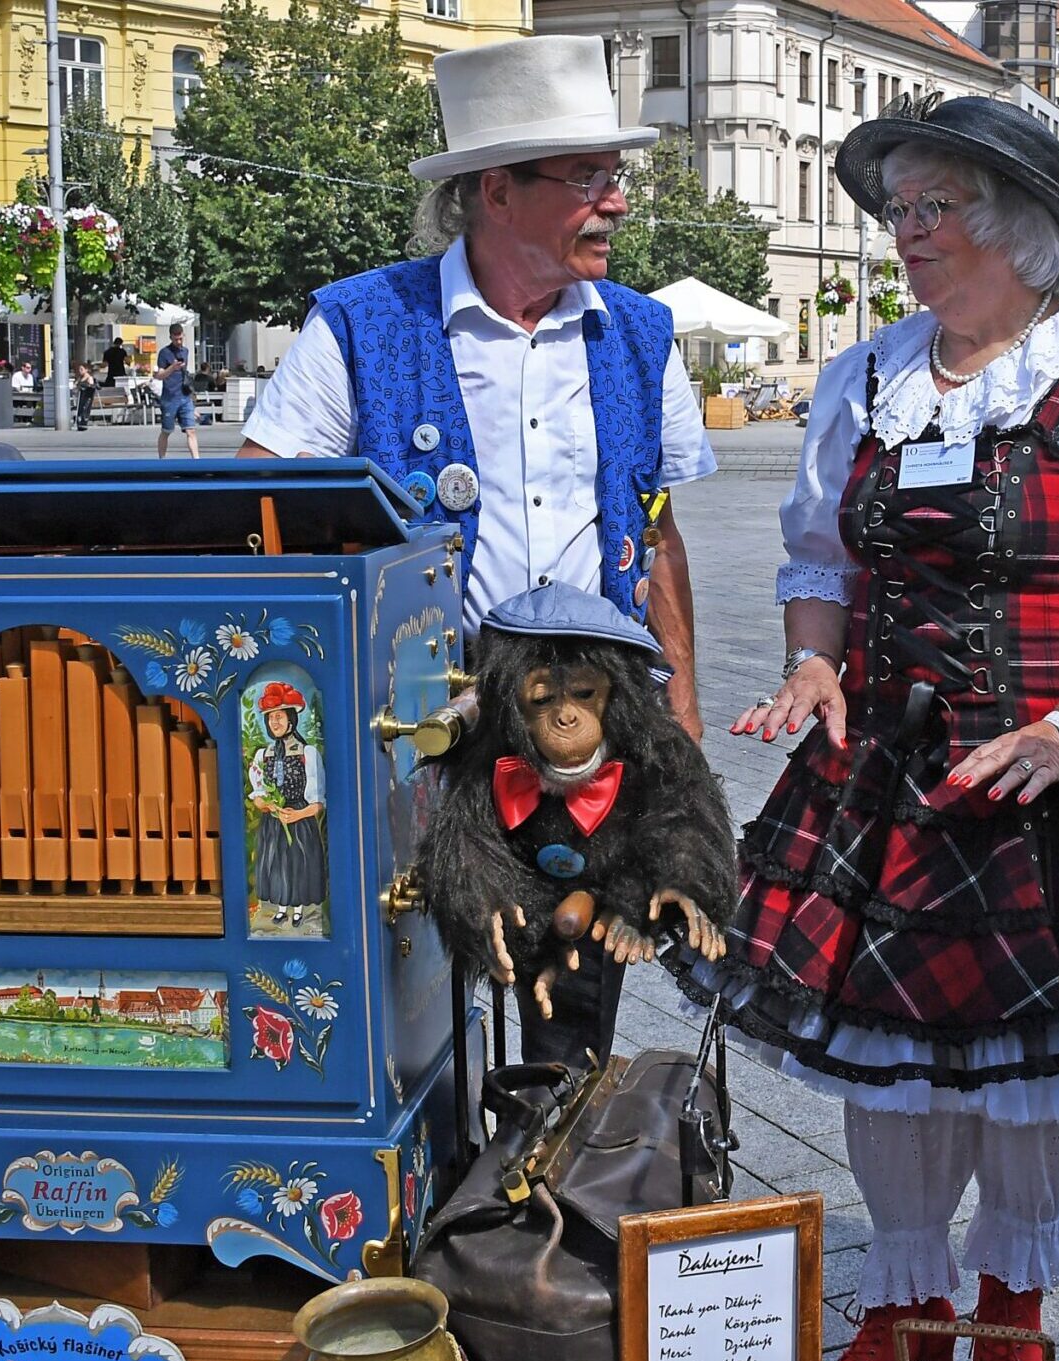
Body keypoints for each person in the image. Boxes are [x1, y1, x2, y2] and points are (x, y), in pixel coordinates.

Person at [708, 93, 1059, 1361]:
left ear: (1019, 228)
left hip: (1048, 772)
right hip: (884, 766)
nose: (907, 232)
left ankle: (1005, 1323)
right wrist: (811, 661)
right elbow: (819, 562)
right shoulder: (866, 377)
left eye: (935, 208)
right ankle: (904, 1310)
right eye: (900, 209)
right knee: (884, 1058)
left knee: (1021, 1074)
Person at [241, 36, 713, 732]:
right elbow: (259, 501)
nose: (616, 204)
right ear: (497, 191)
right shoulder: (361, 322)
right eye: (588, 178)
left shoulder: (640, 332)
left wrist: (684, 711)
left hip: (602, 713)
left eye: (616, 177)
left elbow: (658, 535)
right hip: (423, 718)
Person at [248, 681, 329, 928]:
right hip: (274, 823)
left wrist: (298, 815)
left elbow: (318, 802)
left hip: (299, 821)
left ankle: (298, 910)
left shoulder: (307, 754)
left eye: (279, 716)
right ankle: (282, 908)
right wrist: (271, 807)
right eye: (271, 717)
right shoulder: (264, 755)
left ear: (291, 719)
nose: (274, 722)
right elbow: (258, 795)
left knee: (297, 865)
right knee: (278, 865)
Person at [155, 321, 202, 458]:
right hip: (170, 398)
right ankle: (162, 460)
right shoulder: (164, 353)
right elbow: (159, 376)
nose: (179, 342)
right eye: (176, 339)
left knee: (191, 430)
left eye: (181, 338)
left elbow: (185, 375)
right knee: (166, 431)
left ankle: (197, 461)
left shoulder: (185, 351)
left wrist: (192, 400)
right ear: (170, 337)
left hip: (184, 397)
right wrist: (172, 368)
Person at [70, 361, 97, 431]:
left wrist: (86, 386)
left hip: (87, 397)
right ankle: (79, 422)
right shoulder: (80, 378)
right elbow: (75, 385)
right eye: (79, 369)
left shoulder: (89, 378)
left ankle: (83, 422)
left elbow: (91, 386)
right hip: (81, 396)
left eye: (81, 369)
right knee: (80, 408)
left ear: (86, 370)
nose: (80, 371)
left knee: (85, 409)